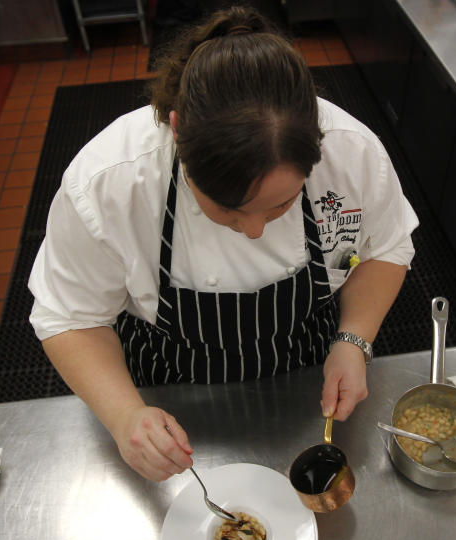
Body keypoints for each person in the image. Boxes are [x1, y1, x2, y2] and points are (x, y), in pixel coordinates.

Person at [28, 6, 419, 482]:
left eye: (279, 207)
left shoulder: (352, 154)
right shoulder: (109, 184)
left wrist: (353, 339)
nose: (254, 231)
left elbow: (385, 246)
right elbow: (69, 316)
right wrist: (125, 415)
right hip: (169, 379)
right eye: (227, 211)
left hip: (306, 370)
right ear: (177, 132)